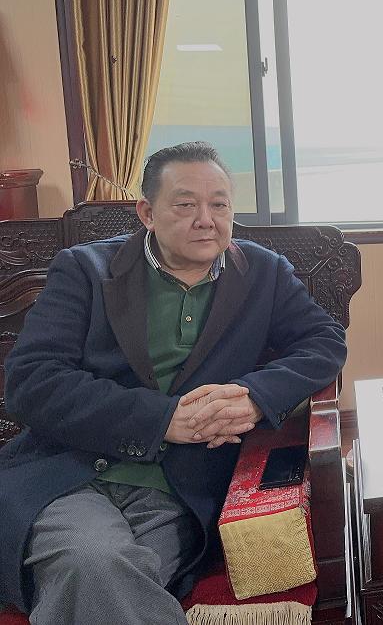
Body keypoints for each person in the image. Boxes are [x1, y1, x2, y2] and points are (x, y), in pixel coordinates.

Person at [0, 142, 347, 624]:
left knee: (95, 577)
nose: (206, 220)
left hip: (179, 488)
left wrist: (254, 396)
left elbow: (324, 341)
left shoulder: (262, 273)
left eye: (219, 205)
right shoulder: (85, 271)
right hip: (69, 475)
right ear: (147, 212)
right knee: (92, 562)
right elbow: (31, 382)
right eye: (185, 205)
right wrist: (162, 420)